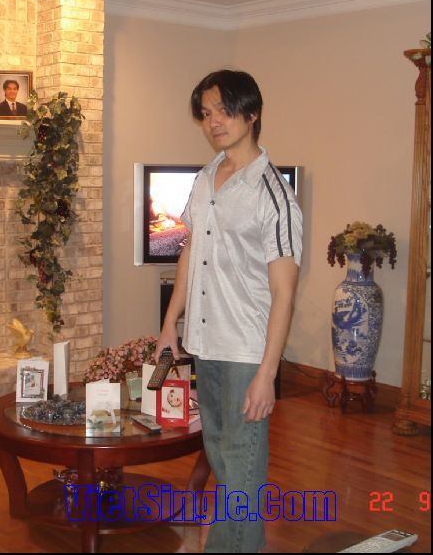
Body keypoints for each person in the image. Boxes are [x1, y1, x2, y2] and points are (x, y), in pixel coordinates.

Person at [154, 69, 302, 553]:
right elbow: (188, 252)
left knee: (242, 469)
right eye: (206, 113)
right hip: (205, 343)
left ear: (251, 113)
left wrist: (267, 374)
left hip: (245, 351)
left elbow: (284, 292)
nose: (213, 121)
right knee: (222, 457)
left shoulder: (273, 194)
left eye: (223, 110)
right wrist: (170, 325)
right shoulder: (204, 178)